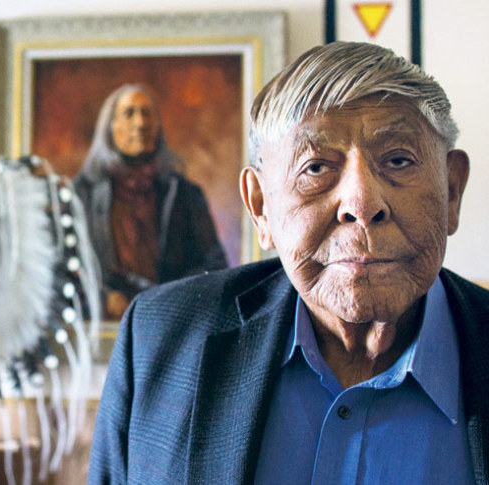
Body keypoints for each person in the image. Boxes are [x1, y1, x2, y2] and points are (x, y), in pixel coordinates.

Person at [88, 42, 489, 484]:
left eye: (398, 160)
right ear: (260, 207)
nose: (361, 202)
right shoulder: (159, 339)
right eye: (315, 168)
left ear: (452, 191)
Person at [73, 84, 228, 319]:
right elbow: (62, 269)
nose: (140, 123)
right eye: (129, 113)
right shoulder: (82, 194)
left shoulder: (184, 194)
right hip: (104, 329)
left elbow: (215, 265)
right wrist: (103, 299)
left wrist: (169, 297)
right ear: (110, 127)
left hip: (169, 321)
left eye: (147, 114)